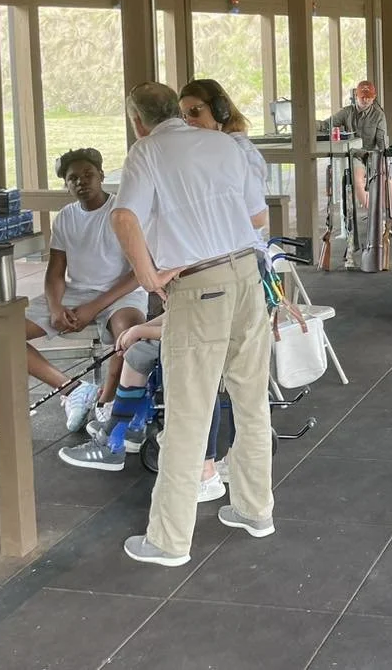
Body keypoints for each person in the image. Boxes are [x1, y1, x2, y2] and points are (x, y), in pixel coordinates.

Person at [110, 82, 275, 567]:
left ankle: (169, 539)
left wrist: (149, 276)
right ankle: (254, 508)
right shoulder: (226, 144)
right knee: (251, 400)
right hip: (248, 272)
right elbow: (257, 214)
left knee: (188, 414)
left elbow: (124, 218)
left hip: (199, 282)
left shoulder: (147, 151)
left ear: (138, 121)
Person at [23, 147, 147, 433]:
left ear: (102, 175)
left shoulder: (121, 212)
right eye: (73, 178)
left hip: (121, 292)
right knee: (4, 335)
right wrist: (55, 307)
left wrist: (94, 307)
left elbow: (138, 273)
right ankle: (74, 389)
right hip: (77, 291)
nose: (81, 181)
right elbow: (55, 271)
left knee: (130, 334)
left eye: (88, 174)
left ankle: (108, 401)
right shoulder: (66, 216)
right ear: (66, 185)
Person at [56, 316, 226, 504]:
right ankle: (124, 431)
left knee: (144, 352)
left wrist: (139, 331)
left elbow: (192, 323)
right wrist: (140, 329)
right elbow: (177, 309)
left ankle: (205, 472)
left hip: (203, 338)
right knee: (140, 351)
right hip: (195, 332)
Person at [320, 80, 390, 262]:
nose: (365, 100)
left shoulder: (378, 115)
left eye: (369, 97)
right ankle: (375, 218)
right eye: (362, 97)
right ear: (356, 96)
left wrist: (383, 161)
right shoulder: (347, 112)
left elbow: (382, 143)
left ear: (374, 98)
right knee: (357, 179)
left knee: (386, 177)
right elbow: (327, 124)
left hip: (372, 154)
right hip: (355, 156)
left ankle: (388, 219)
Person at [178, 78, 265, 195]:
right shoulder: (204, 148)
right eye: (184, 116)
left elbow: (254, 201)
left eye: (194, 111)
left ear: (219, 108)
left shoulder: (240, 149)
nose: (189, 121)